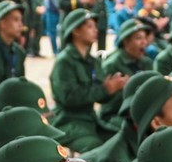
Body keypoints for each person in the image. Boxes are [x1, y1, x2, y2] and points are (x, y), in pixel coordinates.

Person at [49, 10, 120, 151]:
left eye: (95, 26)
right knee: (95, 148)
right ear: (76, 31)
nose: (95, 30)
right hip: (67, 121)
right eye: (89, 26)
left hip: (89, 119)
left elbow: (101, 98)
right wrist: (105, 89)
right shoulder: (65, 61)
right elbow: (68, 98)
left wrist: (115, 87)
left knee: (120, 140)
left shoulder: (93, 61)